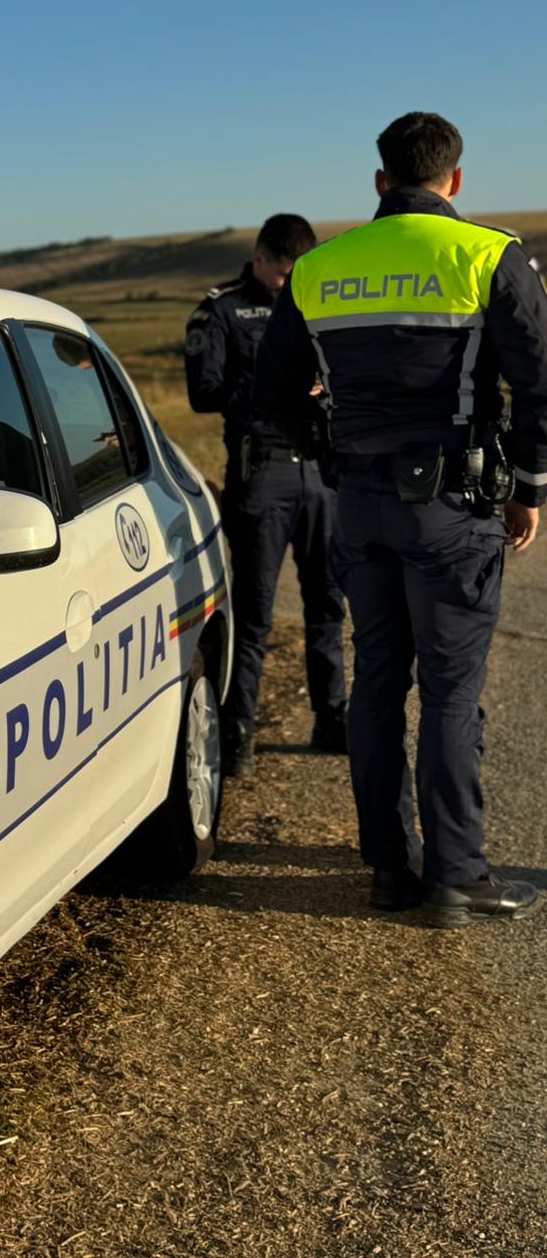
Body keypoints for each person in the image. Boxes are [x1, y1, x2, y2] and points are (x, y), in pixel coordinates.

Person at [254, 112, 547, 926]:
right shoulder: (487, 254)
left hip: (359, 501)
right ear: (455, 179)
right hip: (452, 504)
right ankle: (456, 874)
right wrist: (529, 489)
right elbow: (538, 384)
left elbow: (272, 395)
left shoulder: (320, 267)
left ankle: (389, 866)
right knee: (451, 689)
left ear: (381, 181)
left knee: (379, 679)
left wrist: (333, 447)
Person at [185, 214, 347, 776]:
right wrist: (274, 384)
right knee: (254, 617)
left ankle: (332, 720)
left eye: (295, 277)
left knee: (328, 606)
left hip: (320, 475)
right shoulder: (222, 309)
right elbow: (203, 392)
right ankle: (238, 737)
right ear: (259, 259)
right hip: (263, 476)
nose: (287, 286)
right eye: (281, 276)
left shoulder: (321, 301)